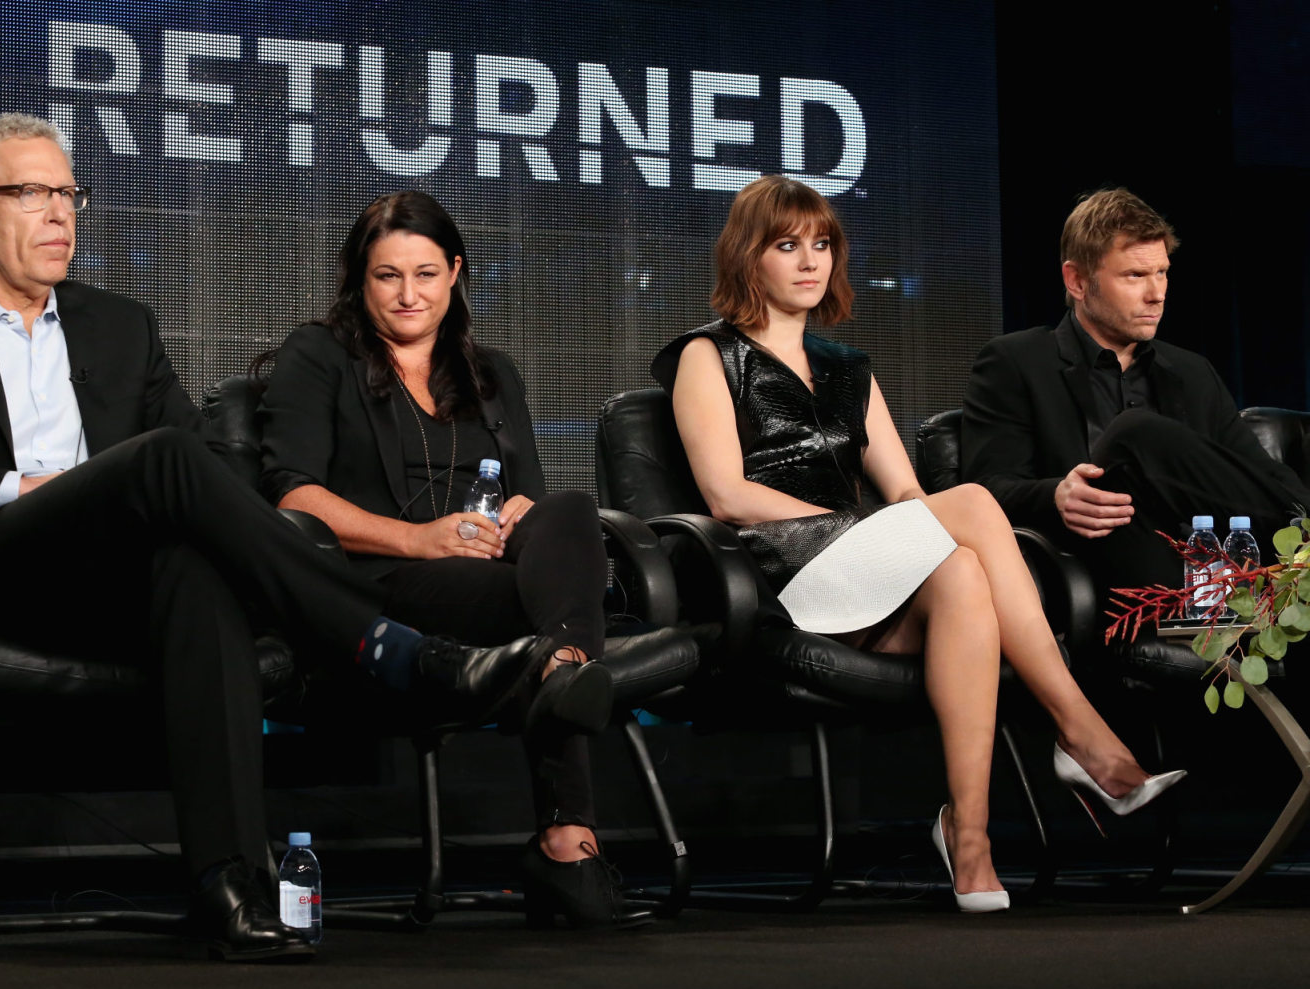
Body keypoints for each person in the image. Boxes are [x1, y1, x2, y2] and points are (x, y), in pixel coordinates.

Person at [0, 115, 553, 961]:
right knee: (160, 460)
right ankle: (389, 644)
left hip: (111, 582)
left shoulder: (120, 325)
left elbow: (208, 466)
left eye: (67, 192)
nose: (59, 212)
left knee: (191, 568)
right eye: (30, 192)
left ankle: (230, 884)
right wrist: (19, 487)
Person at [653, 174, 1184, 912]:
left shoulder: (847, 369)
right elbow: (727, 494)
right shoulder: (708, 357)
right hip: (777, 577)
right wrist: (853, 527)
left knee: (963, 569)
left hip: (861, 574)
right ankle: (1083, 732)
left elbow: (907, 497)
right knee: (967, 503)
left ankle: (969, 839)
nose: (811, 261)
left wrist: (889, 530)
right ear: (749, 257)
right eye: (787, 245)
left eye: (823, 245)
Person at [257, 190, 634, 929]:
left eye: (426, 273)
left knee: (570, 513)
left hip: (490, 575)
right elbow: (293, 498)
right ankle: (569, 839)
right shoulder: (318, 355)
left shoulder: (492, 372)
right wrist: (420, 537)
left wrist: (522, 512)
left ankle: (562, 669)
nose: (408, 294)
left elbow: (529, 499)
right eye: (387, 276)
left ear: (455, 272)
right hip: (378, 584)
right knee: (540, 619)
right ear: (359, 279)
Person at [962, 187, 1309, 591]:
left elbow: (1260, 481)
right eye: (1135, 276)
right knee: (1133, 434)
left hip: (1213, 566)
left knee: (1284, 494)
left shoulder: (1192, 372)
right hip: (1104, 560)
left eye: (1162, 272)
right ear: (1076, 280)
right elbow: (983, 489)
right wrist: (1056, 494)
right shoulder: (1015, 362)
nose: (1157, 294)